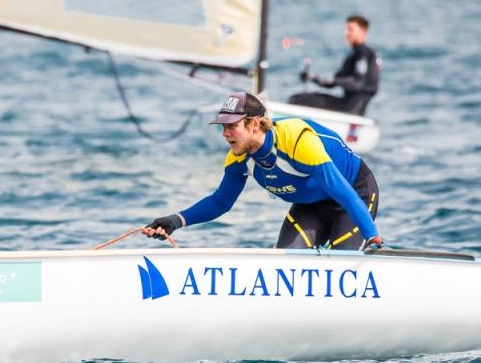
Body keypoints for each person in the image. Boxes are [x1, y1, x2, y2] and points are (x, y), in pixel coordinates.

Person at [145, 91, 383, 250]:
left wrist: (372, 236)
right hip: (311, 204)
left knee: (342, 263)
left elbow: (343, 192)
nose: (225, 134)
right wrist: (176, 221)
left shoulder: (297, 141)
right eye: (222, 127)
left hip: (353, 194)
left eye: (232, 126)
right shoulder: (239, 159)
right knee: (285, 268)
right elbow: (220, 202)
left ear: (255, 123)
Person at [288, 14, 380, 115]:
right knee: (297, 97)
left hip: (352, 109)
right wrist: (312, 77)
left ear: (363, 31)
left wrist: (335, 80)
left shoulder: (365, 54)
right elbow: (333, 82)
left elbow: (357, 83)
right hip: (346, 104)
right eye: (346, 29)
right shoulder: (353, 56)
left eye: (350, 29)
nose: (346, 33)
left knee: (300, 100)